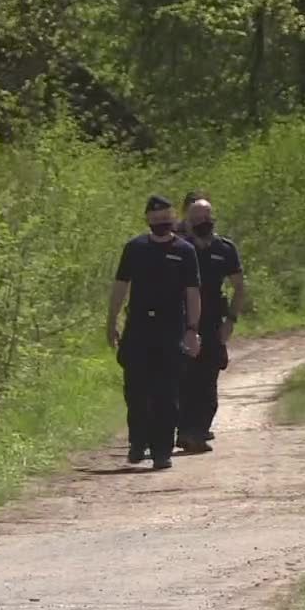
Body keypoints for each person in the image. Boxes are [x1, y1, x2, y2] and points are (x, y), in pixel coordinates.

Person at [107, 195, 203, 470]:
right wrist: (112, 320)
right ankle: (138, 442)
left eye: (166, 218)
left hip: (171, 328)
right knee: (136, 390)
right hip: (138, 327)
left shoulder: (185, 251)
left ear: (173, 218)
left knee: (167, 392)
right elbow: (120, 286)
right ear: (147, 219)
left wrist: (192, 329)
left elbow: (193, 293)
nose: (162, 222)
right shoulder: (135, 248)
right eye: (156, 218)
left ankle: (162, 450)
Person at [176, 195, 245, 453]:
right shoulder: (179, 247)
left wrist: (231, 320)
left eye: (205, 217)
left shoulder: (225, 249)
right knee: (182, 377)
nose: (201, 222)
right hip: (182, 320)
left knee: (208, 377)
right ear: (187, 220)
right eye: (195, 218)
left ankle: (197, 430)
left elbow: (239, 287)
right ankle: (184, 429)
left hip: (214, 321)